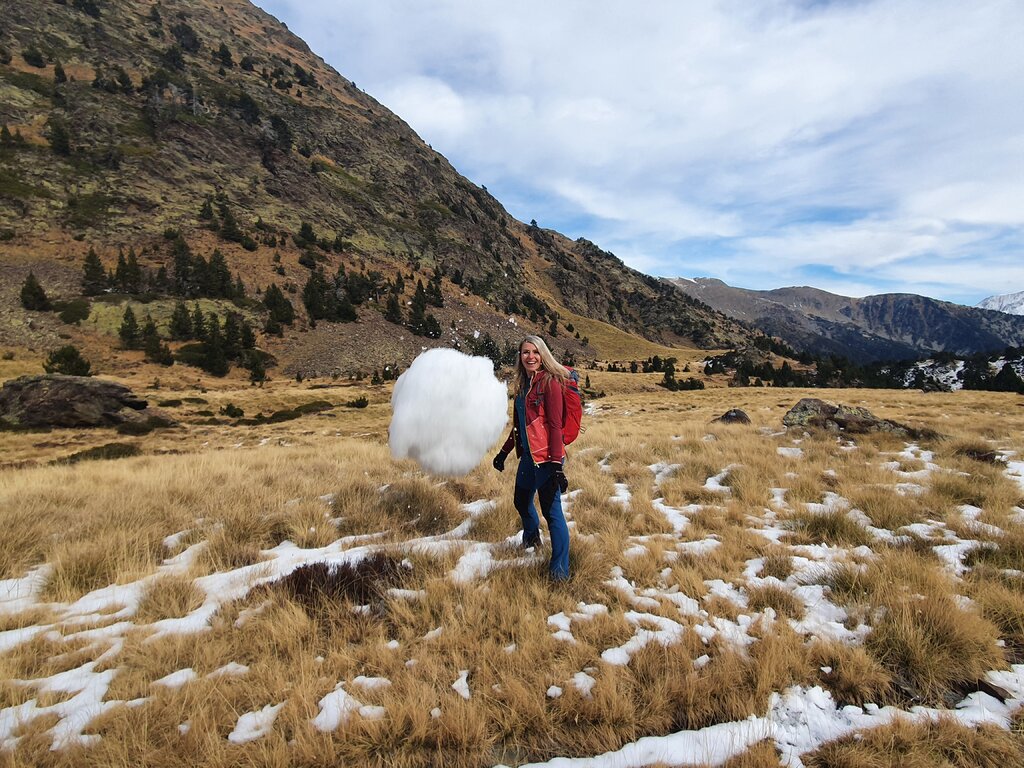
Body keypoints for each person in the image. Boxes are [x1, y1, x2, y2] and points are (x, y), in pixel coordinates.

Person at [492, 335, 570, 580]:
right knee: (521, 501)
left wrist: (557, 465)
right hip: (528, 458)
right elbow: (520, 427)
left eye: (535, 352)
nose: (530, 357)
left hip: (547, 459)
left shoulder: (550, 383)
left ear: (543, 354)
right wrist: (503, 453)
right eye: (525, 352)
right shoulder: (522, 387)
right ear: (520, 356)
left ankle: (560, 572)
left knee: (552, 512)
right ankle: (532, 541)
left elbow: (556, 427)